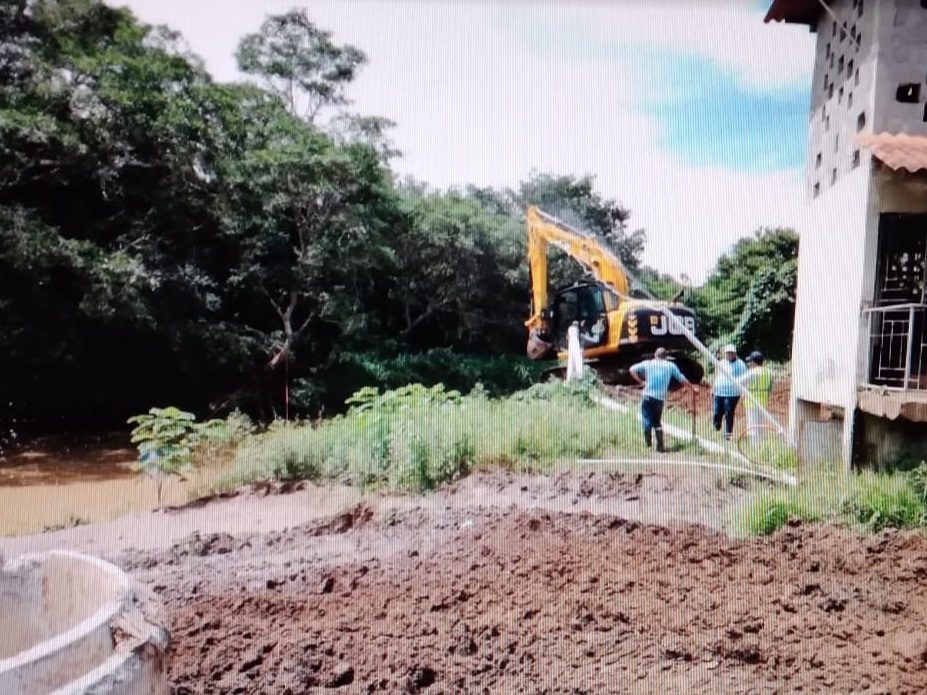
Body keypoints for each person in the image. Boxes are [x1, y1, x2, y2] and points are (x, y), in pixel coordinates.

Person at [630, 348, 697, 452]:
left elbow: (632, 369)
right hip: (659, 398)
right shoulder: (670, 366)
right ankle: (660, 446)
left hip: (647, 395)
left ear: (655, 355)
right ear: (666, 357)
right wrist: (692, 388)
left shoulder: (648, 363)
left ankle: (648, 444)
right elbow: (681, 378)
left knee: (646, 419)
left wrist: (641, 381)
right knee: (657, 422)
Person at [712, 344, 747, 441]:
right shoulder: (721, 363)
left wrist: (744, 391)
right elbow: (717, 375)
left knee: (729, 413)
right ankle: (716, 425)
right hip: (719, 391)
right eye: (727, 353)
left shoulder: (741, 365)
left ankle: (728, 435)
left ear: (735, 354)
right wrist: (713, 388)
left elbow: (745, 379)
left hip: (732, 394)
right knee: (717, 411)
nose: (729, 355)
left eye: (731, 353)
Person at [737, 351, 775, 440]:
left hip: (751, 402)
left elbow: (738, 382)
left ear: (754, 362)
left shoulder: (753, 372)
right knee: (760, 425)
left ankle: (754, 448)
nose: (749, 364)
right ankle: (761, 446)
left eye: (750, 362)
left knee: (752, 426)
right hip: (763, 402)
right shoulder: (769, 372)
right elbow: (771, 389)